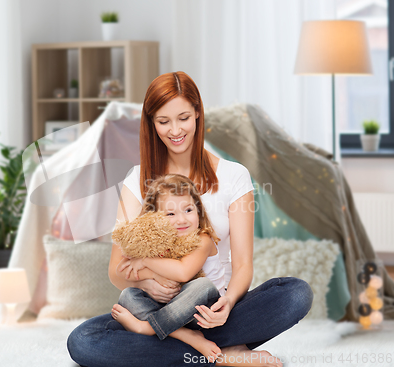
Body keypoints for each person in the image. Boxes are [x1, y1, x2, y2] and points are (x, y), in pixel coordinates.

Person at [68, 71, 313, 367]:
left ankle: (186, 346)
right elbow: (117, 271)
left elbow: (244, 265)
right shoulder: (137, 180)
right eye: (163, 121)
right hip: (159, 309)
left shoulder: (234, 177)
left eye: (183, 117)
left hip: (215, 309)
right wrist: (147, 284)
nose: (175, 130)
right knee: (83, 340)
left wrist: (228, 303)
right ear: (151, 123)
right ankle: (221, 354)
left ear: (198, 112)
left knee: (295, 294)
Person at [112, 173, 225, 362]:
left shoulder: (202, 240)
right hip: (171, 314)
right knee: (128, 295)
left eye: (188, 210)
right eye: (170, 214)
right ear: (154, 218)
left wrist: (146, 262)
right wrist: (152, 277)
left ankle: (147, 328)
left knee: (202, 285)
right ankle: (183, 335)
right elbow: (121, 271)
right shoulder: (155, 242)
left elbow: (183, 272)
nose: (182, 220)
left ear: (198, 210)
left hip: (204, 313)